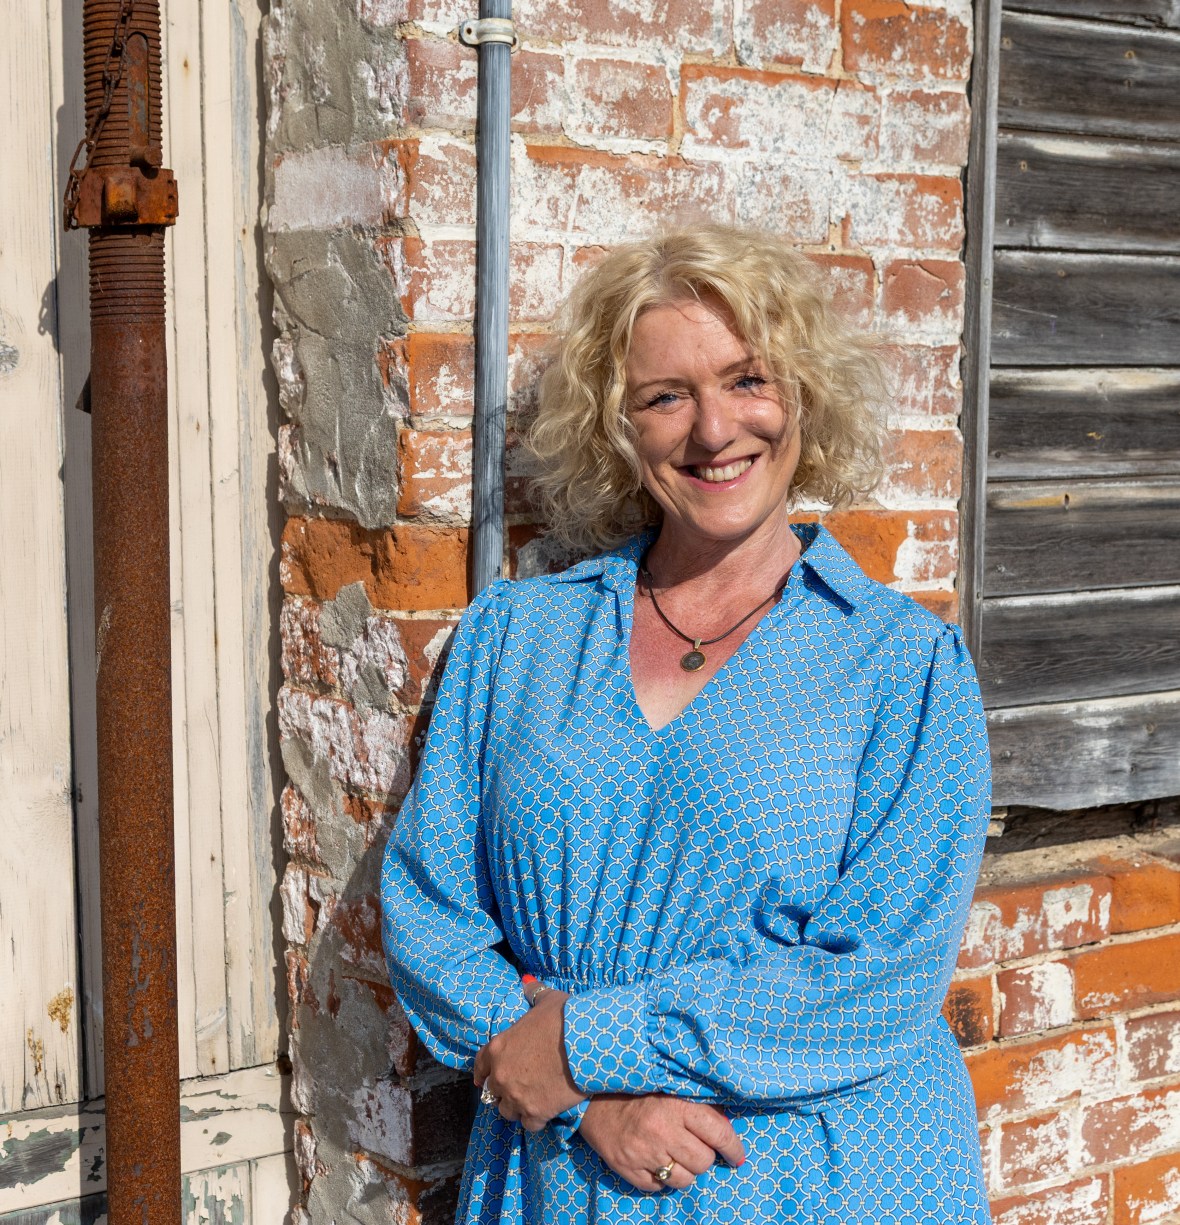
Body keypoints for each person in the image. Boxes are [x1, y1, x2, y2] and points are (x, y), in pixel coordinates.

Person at [381, 223, 991, 1224]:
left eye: (748, 380)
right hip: (563, 1173)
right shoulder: (517, 636)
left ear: (802, 395)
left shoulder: (904, 664)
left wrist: (584, 1045)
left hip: (819, 1178)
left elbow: (877, 979)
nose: (714, 430)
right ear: (620, 425)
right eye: (666, 397)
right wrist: (587, 1101)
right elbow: (428, 910)